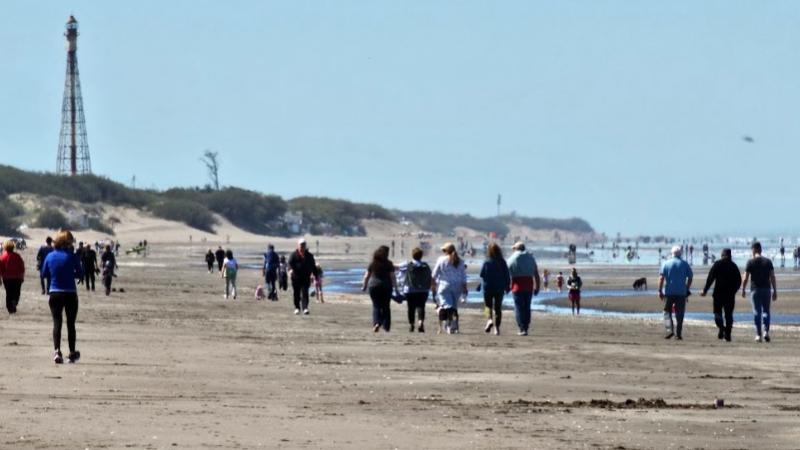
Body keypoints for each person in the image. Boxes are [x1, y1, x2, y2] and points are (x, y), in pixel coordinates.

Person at [41, 230, 84, 364]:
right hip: (70, 293)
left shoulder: (50, 256)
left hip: (55, 292)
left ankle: (57, 351)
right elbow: (81, 273)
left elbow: (44, 273)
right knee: (71, 324)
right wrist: (73, 275)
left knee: (57, 322)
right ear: (69, 242)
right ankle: (71, 353)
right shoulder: (72, 256)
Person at [700, 248, 741, 342]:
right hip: (729, 295)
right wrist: (734, 290)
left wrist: (705, 290)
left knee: (717, 313)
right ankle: (728, 335)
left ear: (722, 255)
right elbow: (739, 281)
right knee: (729, 315)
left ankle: (721, 328)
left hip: (718, 294)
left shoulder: (717, 264)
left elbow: (710, 278)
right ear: (730, 256)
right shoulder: (733, 266)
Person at [742, 242, 777, 343]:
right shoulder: (768, 262)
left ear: (753, 250)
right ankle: (766, 331)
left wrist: (743, 289)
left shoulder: (750, 262)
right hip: (766, 289)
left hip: (755, 290)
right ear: (760, 250)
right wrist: (775, 290)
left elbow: (745, 278)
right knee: (766, 311)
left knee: (757, 312)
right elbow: (772, 277)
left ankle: (758, 334)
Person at [658, 246, 693, 340]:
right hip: (681, 292)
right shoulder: (685, 264)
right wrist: (687, 288)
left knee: (666, 311)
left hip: (669, 291)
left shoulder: (666, 263)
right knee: (680, 313)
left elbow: (661, 278)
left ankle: (670, 330)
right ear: (680, 253)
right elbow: (690, 277)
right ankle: (678, 334)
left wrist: (660, 290)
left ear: (672, 253)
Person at [431, 243, 467, 334]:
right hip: (457, 286)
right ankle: (454, 326)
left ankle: (449, 325)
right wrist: (464, 289)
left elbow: (434, 274)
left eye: (443, 250)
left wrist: (433, 286)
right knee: (454, 307)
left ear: (446, 251)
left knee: (448, 306)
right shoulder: (461, 261)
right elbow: (463, 277)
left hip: (445, 286)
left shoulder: (441, 260)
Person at [362, 245, 397, 332]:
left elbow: (366, 276)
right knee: (386, 306)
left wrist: (364, 286)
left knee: (376, 305)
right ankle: (386, 327)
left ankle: (376, 323)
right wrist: (396, 288)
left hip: (373, 286)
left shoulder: (372, 263)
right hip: (386, 286)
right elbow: (392, 276)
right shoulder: (389, 263)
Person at [507, 242, 540, 336]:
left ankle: (522, 328)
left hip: (517, 285)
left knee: (519, 307)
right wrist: (537, 286)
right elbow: (536, 273)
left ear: (516, 249)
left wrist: (507, 286)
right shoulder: (530, 258)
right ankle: (526, 326)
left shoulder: (512, 258)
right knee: (527, 306)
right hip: (528, 285)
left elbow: (507, 273)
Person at [397, 247, 431, 333]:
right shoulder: (425, 265)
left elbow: (398, 269)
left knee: (411, 307)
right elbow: (430, 276)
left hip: (410, 290)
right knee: (421, 307)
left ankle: (411, 324)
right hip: (423, 290)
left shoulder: (409, 265)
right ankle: (420, 322)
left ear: (412, 255)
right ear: (421, 256)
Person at [479, 242, 510, 335]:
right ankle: (497, 328)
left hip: (487, 287)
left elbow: (481, 274)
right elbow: (507, 275)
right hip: (499, 288)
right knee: (498, 308)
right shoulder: (502, 262)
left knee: (487, 306)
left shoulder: (486, 261)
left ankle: (489, 320)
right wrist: (507, 286)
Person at [288, 239, 316, 315]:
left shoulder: (309, 256)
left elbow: (313, 266)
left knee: (305, 293)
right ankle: (297, 308)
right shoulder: (293, 255)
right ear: (298, 245)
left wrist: (314, 274)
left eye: (303, 245)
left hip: (306, 277)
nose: (302, 246)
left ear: (305, 246)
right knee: (296, 293)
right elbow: (289, 264)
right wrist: (290, 270)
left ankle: (305, 308)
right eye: (301, 245)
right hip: (295, 277)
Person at [0, 240, 25, 314]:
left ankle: (10, 308)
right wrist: (22, 276)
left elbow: (0, 269)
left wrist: (0, 279)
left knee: (9, 293)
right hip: (17, 278)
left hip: (7, 278)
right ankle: (15, 302)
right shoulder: (17, 256)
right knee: (17, 292)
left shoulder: (2, 257)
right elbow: (22, 268)